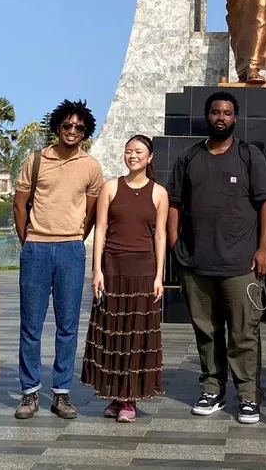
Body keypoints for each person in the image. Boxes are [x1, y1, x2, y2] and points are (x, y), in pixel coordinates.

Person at [168, 91, 266, 424]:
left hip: (240, 263)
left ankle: (248, 395)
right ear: (207, 116)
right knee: (207, 332)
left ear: (235, 119)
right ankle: (212, 389)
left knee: (244, 333)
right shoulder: (189, 158)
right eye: (215, 112)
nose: (221, 117)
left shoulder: (249, 156)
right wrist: (175, 242)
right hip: (197, 263)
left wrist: (264, 248)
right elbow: (173, 202)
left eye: (227, 113)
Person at [12, 99, 104, 420]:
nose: (73, 131)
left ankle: (61, 394)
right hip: (36, 248)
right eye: (67, 125)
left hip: (71, 250)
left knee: (67, 326)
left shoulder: (91, 166)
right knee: (31, 326)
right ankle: (30, 392)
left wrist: (77, 237)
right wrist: (29, 241)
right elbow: (19, 205)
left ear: (85, 131)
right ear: (58, 127)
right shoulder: (36, 161)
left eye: (79, 127)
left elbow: (92, 211)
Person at [82, 135, 168, 422]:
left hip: (144, 269)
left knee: (136, 334)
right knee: (113, 332)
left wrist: (159, 276)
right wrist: (96, 270)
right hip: (112, 267)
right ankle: (116, 396)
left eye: (139, 152)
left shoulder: (159, 193)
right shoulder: (110, 187)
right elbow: (101, 229)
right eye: (129, 151)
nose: (133, 156)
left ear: (150, 157)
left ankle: (129, 400)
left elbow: (160, 235)